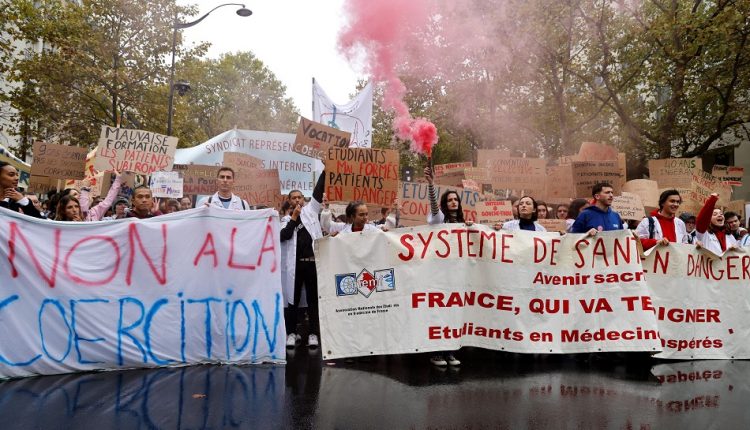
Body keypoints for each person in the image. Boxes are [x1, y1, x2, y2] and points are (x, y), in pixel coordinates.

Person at [280, 167, 326, 350]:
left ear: (304, 199)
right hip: (295, 267)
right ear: (289, 201)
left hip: (312, 264)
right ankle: (291, 333)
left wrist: (326, 169)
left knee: (314, 300)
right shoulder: (285, 220)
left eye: (300, 197)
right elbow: (284, 236)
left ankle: (313, 334)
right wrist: (294, 218)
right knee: (293, 300)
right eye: (294, 198)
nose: (297, 200)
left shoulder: (311, 211)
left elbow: (319, 190)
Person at [425, 165, 465, 367]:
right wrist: (431, 184)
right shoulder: (439, 220)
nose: (453, 202)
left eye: (455, 199)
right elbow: (434, 206)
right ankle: (437, 352)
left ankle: (450, 351)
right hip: (440, 275)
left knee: (454, 313)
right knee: (439, 313)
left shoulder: (465, 224)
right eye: (449, 200)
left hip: (458, 276)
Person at [322, 200, 387, 235]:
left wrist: (387, 232)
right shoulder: (343, 233)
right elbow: (327, 225)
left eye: (366, 214)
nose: (365, 217)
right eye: (361, 215)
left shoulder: (374, 231)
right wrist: (326, 208)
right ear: (352, 216)